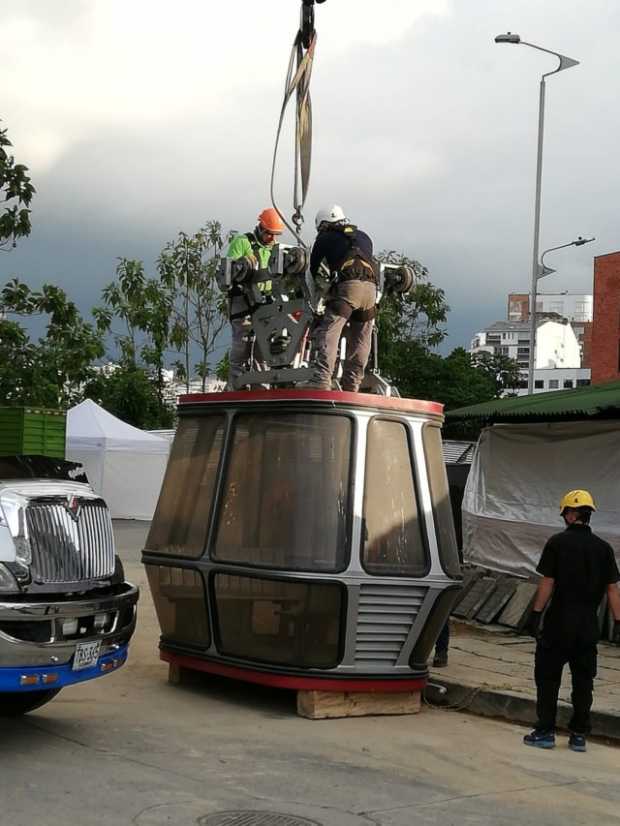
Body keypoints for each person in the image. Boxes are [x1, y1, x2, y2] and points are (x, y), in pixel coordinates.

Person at [523, 489, 620, 752]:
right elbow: (613, 589)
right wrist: (618, 622)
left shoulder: (557, 543)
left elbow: (548, 582)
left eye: (565, 512)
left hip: (558, 623)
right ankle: (578, 735)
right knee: (583, 680)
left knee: (548, 678)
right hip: (588, 625)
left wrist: (535, 615)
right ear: (589, 515)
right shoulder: (604, 549)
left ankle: (545, 731)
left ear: (570, 513)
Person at [308, 205, 377, 392]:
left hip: (349, 289)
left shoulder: (324, 238)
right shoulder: (363, 236)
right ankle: (352, 384)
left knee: (329, 332)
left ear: (323, 225)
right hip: (371, 289)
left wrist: (314, 302)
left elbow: (312, 271)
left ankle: (322, 380)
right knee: (362, 339)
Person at [226, 208, 284, 387]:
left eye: (276, 235)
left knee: (263, 345)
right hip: (242, 300)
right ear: (261, 228)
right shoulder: (242, 242)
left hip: (265, 301)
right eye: (270, 234)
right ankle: (237, 384)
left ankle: (261, 385)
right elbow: (229, 272)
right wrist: (244, 266)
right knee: (242, 344)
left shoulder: (275, 249)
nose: (272, 239)